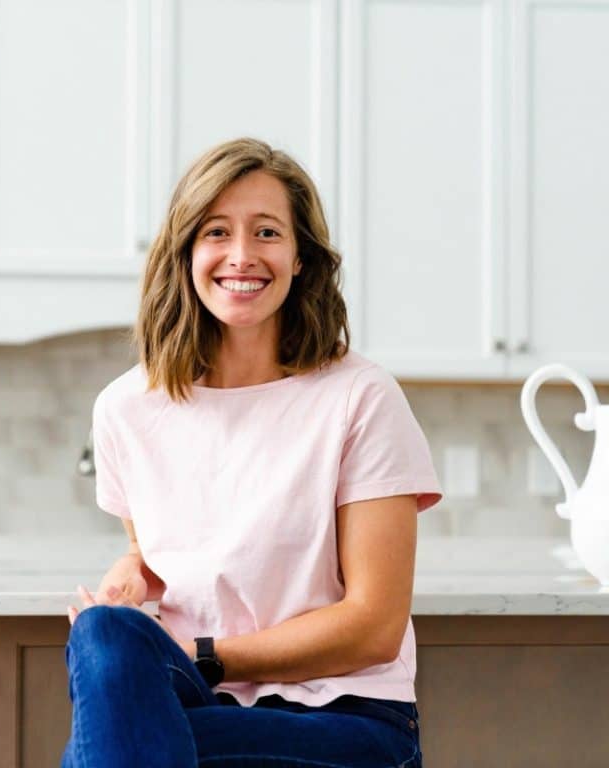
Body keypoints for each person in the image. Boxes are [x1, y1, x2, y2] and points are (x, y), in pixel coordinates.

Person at [61, 137, 442, 768]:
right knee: (103, 633)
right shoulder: (125, 409)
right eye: (216, 231)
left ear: (299, 259)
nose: (242, 255)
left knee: (117, 749)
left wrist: (204, 655)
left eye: (267, 232)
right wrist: (133, 574)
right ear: (185, 253)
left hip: (344, 716)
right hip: (198, 697)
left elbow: (375, 626)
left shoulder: (358, 398)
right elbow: (158, 548)